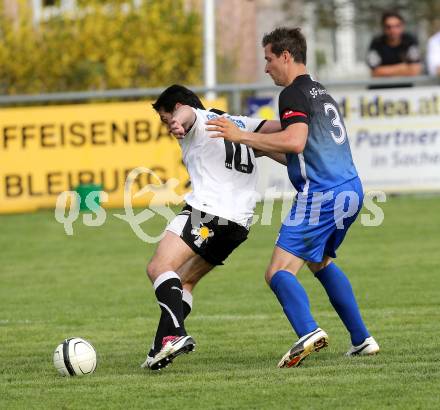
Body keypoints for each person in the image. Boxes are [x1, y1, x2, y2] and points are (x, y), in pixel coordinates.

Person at [207, 27, 379, 368]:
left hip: (322, 195)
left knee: (277, 272)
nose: (266, 67)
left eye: (269, 59)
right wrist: (254, 144)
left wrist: (241, 135)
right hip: (350, 189)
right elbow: (300, 152)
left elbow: (295, 141)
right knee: (320, 262)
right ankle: (362, 339)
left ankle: (308, 331)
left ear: (286, 56)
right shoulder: (321, 92)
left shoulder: (292, 94)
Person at [141, 84, 281, 370]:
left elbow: (189, 113)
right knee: (185, 281)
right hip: (238, 224)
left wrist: (180, 119)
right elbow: (280, 128)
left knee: (158, 268)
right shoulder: (240, 123)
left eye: (166, 119)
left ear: (178, 106)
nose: (168, 126)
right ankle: (160, 348)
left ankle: (174, 334)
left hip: (207, 213)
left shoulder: (196, 119)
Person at [366, 10, 422, 77]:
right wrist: (402, 67)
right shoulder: (377, 42)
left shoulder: (410, 41)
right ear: (383, 28)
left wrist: (385, 70)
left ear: (403, 26)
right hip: (381, 87)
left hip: (405, 86)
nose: (393, 30)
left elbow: (415, 71)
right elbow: (375, 73)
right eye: (388, 27)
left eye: (397, 26)